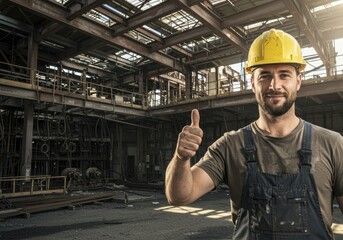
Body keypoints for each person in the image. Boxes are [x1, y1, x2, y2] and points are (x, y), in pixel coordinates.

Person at [165, 29, 343, 239]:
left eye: (284, 75)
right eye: (265, 76)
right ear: (252, 83)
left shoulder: (332, 144)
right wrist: (181, 157)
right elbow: (179, 196)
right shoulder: (230, 145)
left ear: (298, 81)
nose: (274, 85)